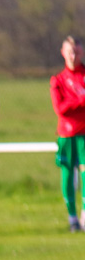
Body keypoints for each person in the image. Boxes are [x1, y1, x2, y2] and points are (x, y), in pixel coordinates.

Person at [50, 36, 85, 233]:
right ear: (63, 53)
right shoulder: (58, 80)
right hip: (67, 134)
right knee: (68, 176)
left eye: (77, 51)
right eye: (70, 51)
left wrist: (73, 103)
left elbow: (67, 105)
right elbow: (60, 108)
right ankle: (72, 217)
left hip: (84, 134)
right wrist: (81, 100)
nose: (73, 55)